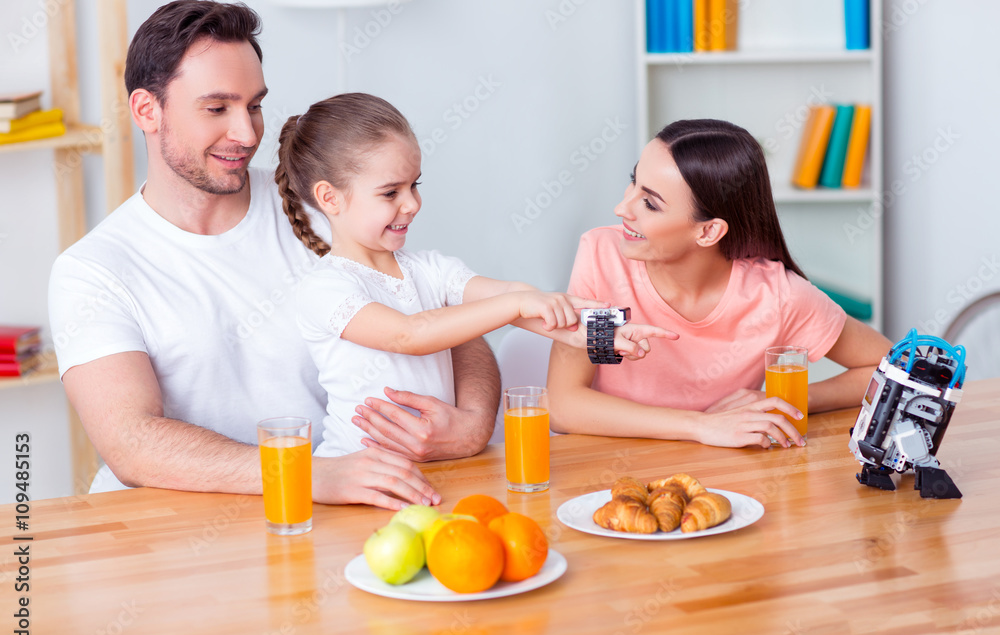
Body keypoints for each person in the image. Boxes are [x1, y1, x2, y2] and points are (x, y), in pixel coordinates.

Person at [47, 1, 498, 509]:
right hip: (172, 530)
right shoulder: (92, 271)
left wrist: (472, 425)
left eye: (254, 105)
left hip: (331, 510)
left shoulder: (322, 208)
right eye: (217, 109)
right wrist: (306, 474)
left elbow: (448, 320)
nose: (246, 134)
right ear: (147, 111)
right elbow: (132, 441)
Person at [274, 93, 673, 456]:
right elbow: (408, 334)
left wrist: (603, 333)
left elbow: (518, 302)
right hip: (354, 471)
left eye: (415, 185)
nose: (412, 203)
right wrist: (517, 301)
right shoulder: (325, 288)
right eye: (390, 192)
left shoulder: (430, 268)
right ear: (330, 198)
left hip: (435, 468)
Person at [547, 119, 893, 448]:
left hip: (727, 472)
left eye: (649, 203)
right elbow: (565, 406)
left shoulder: (776, 297)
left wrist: (787, 400)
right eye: (633, 182)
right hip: (612, 469)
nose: (622, 207)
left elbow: (890, 370)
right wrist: (699, 426)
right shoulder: (605, 259)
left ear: (708, 231)